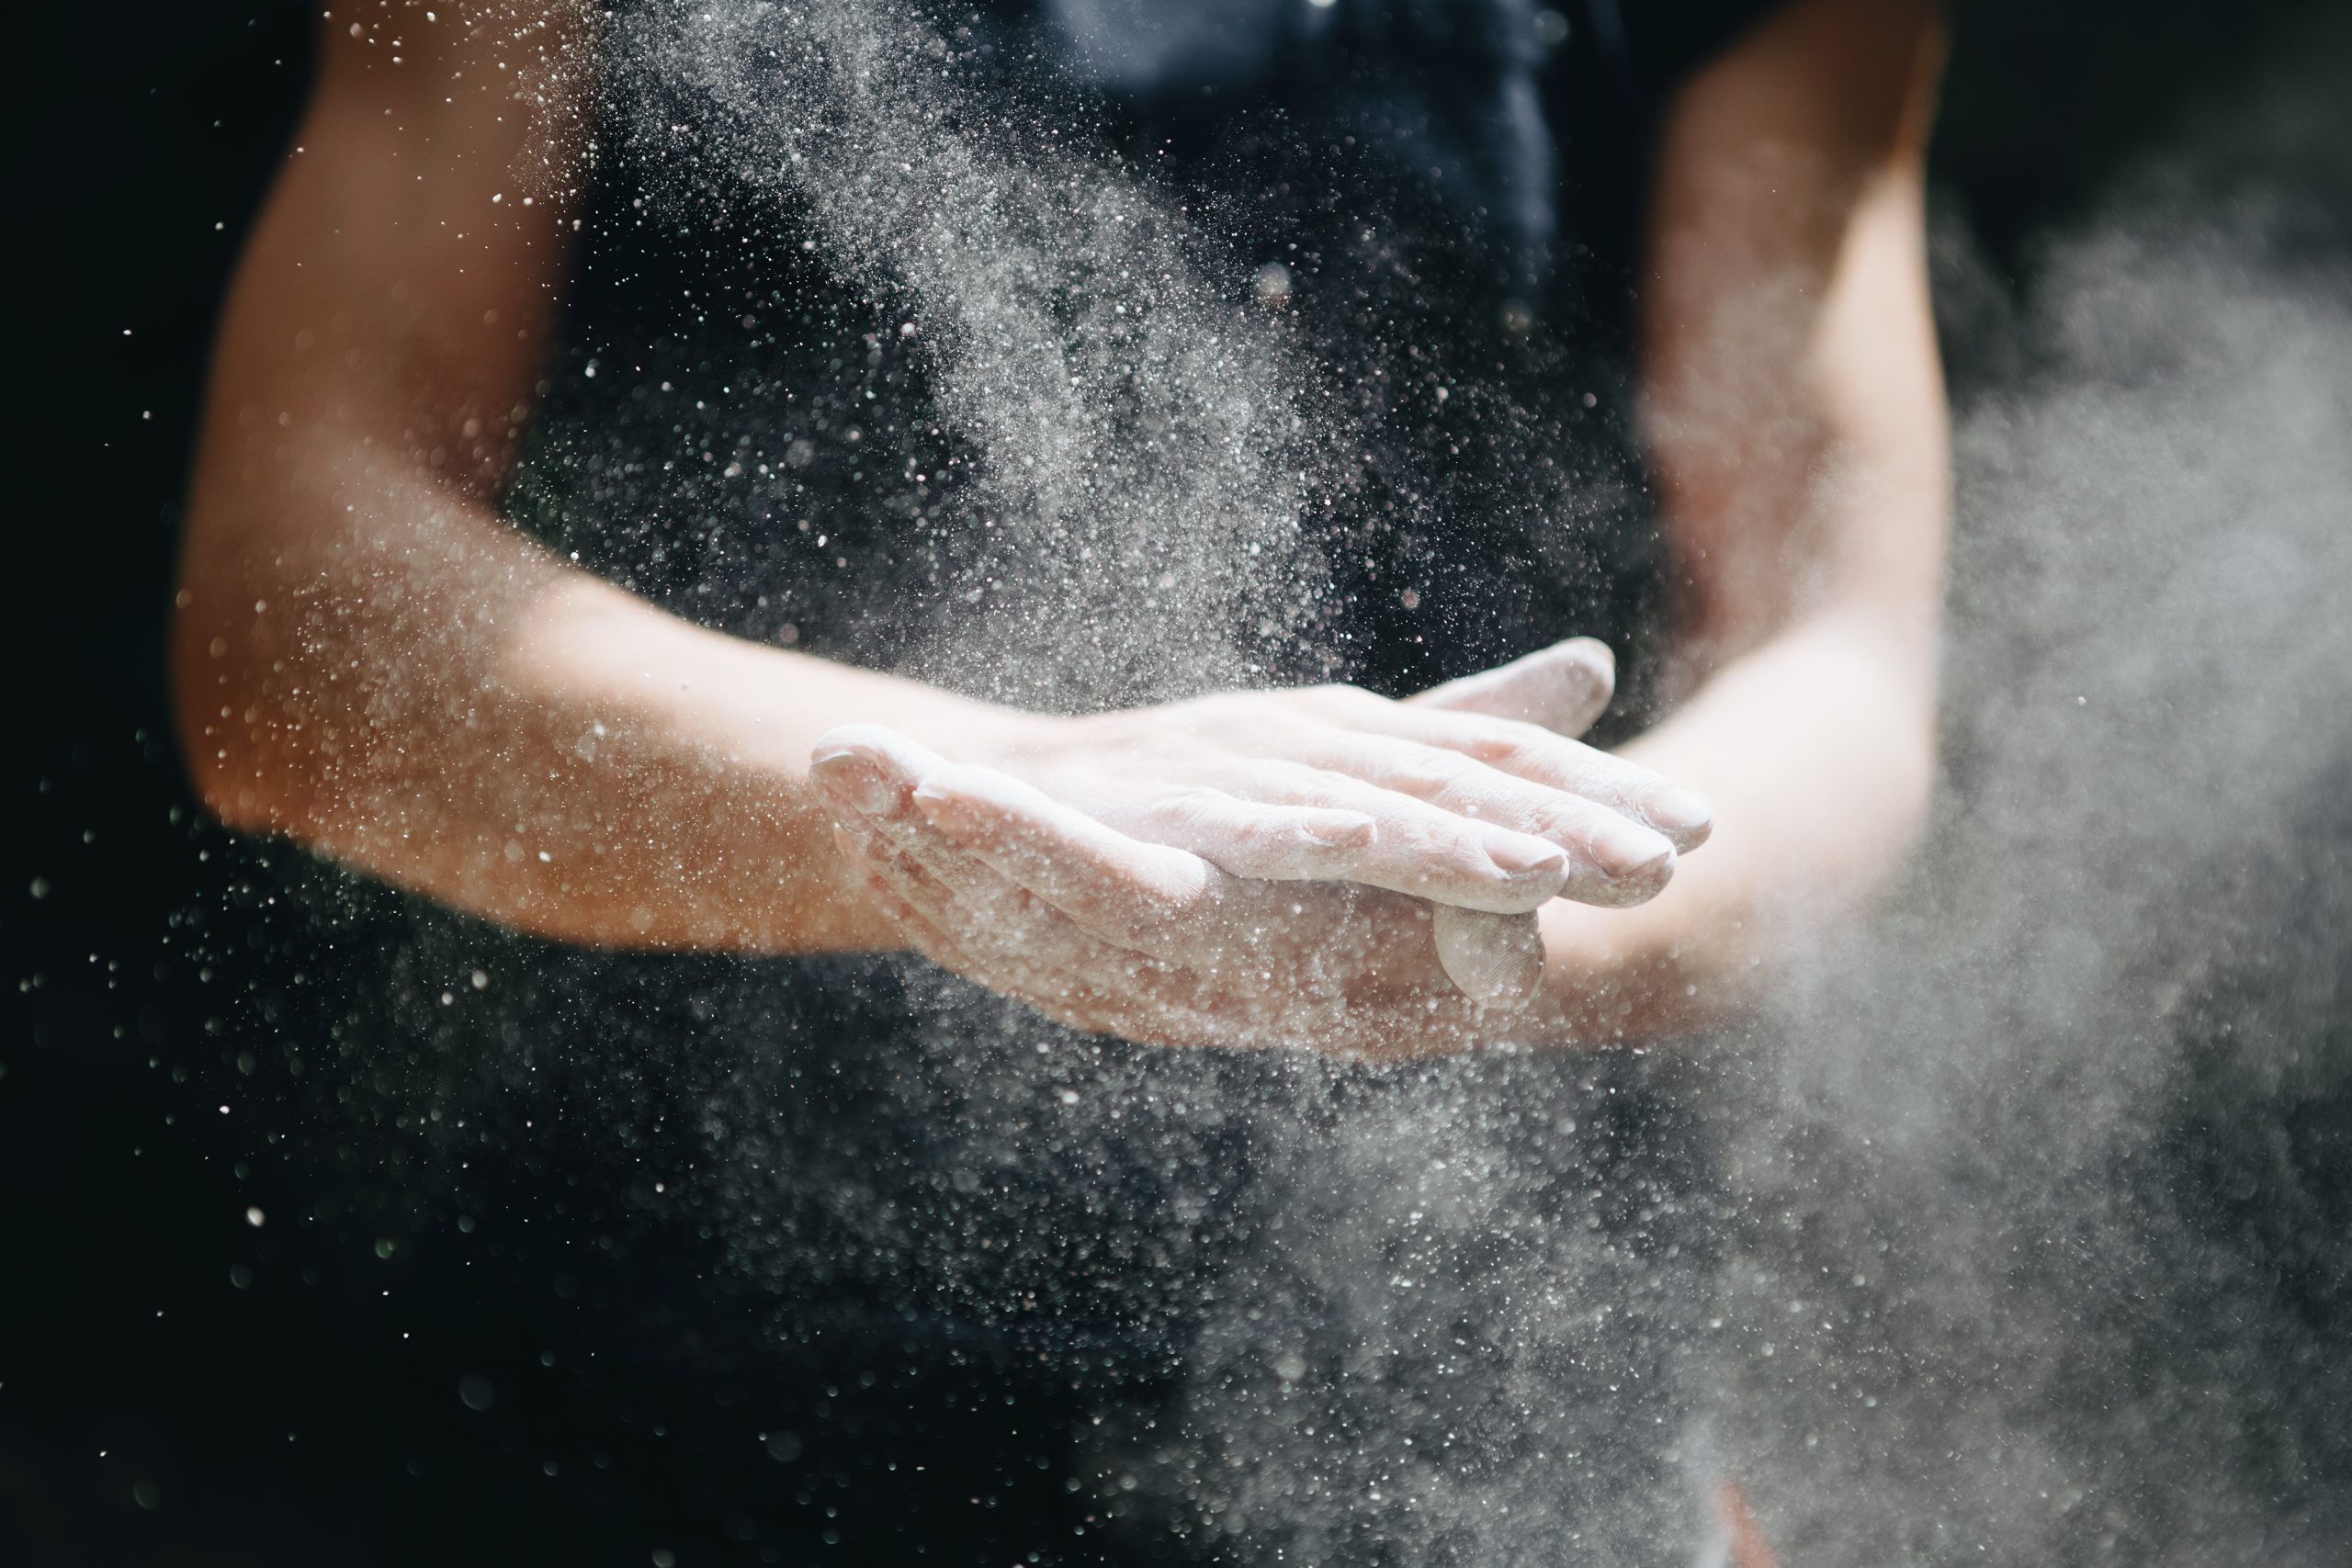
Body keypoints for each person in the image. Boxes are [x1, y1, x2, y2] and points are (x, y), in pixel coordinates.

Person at [175, 0, 1947, 1560]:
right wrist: (995, 806)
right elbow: (291, 619)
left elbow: (1840, 662)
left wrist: (1519, 924)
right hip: (666, 1413)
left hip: (1497, 1419)